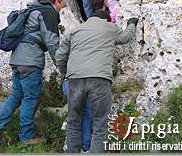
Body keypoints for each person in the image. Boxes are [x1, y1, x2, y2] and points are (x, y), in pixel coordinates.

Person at [0, 0, 66, 145]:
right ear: (57, 2)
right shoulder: (49, 12)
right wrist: (62, 65)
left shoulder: (31, 10)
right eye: (62, 6)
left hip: (17, 60)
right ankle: (27, 136)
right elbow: (52, 42)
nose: (61, 10)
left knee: (16, 96)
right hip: (30, 61)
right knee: (30, 98)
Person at [55, 10, 139, 153]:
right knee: (100, 123)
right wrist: (131, 24)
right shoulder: (109, 27)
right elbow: (126, 37)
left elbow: (60, 56)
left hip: (75, 80)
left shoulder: (75, 31)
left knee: (74, 122)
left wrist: (66, 73)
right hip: (99, 80)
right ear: (106, 20)